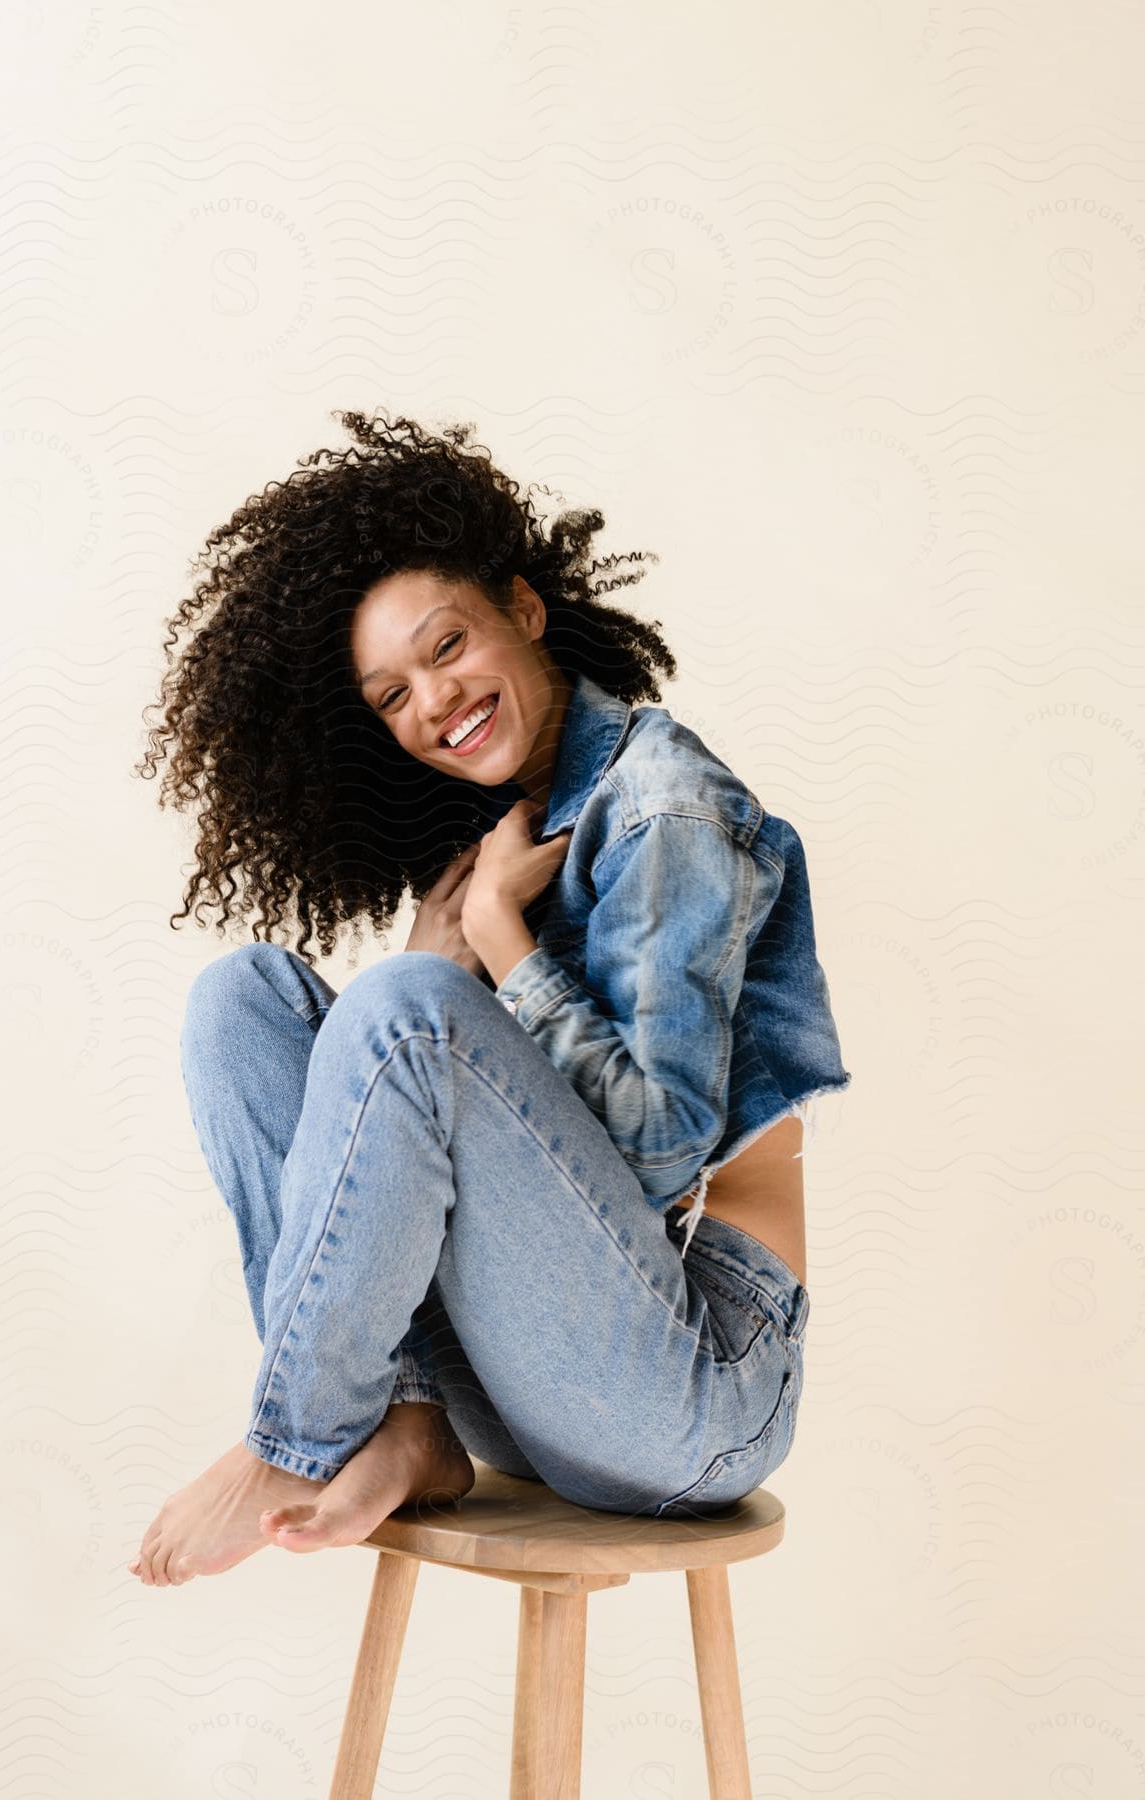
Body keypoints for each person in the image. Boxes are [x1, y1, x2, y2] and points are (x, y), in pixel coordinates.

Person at [125, 409, 851, 1586]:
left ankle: (294, 1438)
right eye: (391, 695)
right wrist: (438, 950)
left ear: (524, 606)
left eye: (447, 644)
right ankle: (402, 1419)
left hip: (699, 1386)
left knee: (405, 1006)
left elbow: (664, 1151)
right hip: (540, 1378)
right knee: (243, 1000)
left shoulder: (662, 805)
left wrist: (500, 944)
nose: (431, 700)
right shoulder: (505, 830)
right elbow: (399, 1154)